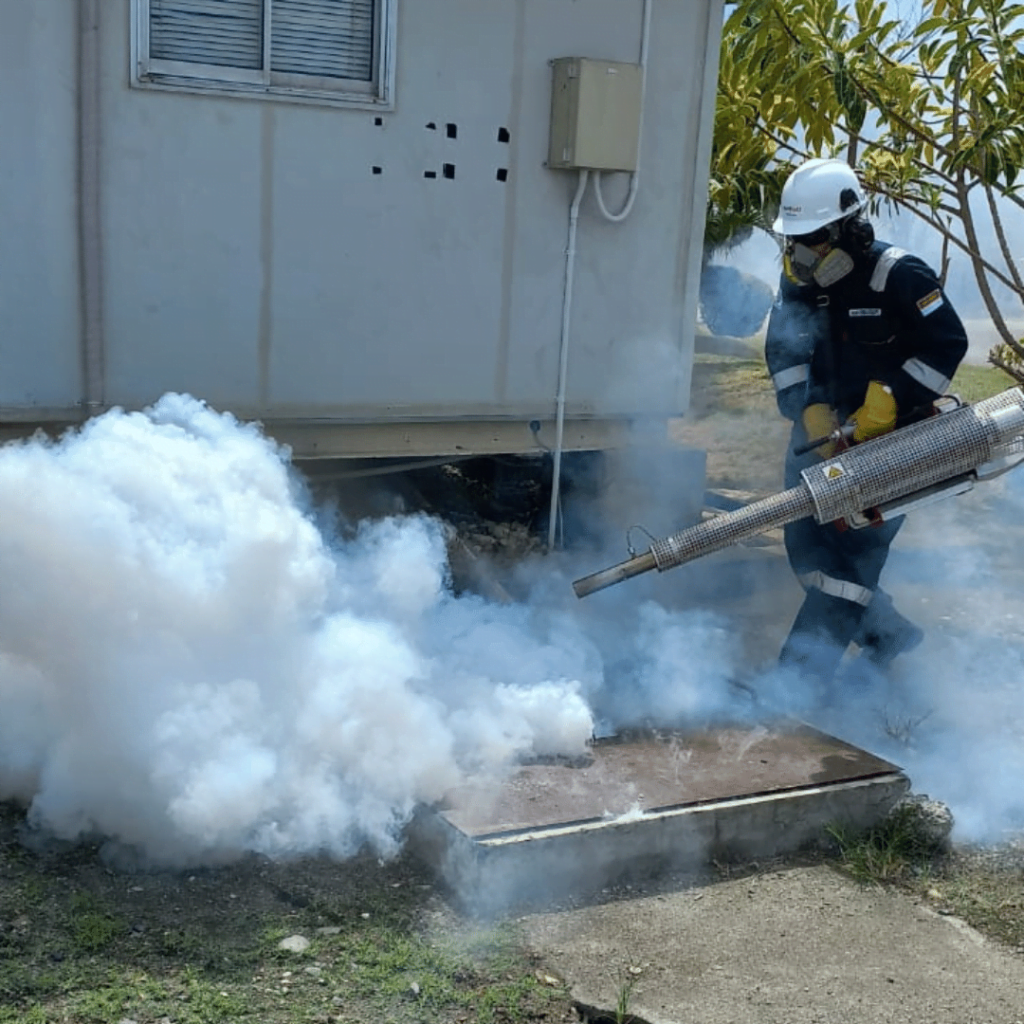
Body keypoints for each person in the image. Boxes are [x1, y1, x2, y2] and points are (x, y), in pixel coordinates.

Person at [765, 157, 969, 692]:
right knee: (806, 557)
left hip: (892, 448)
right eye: (793, 241)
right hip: (817, 442)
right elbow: (784, 352)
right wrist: (802, 409)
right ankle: (889, 635)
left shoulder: (899, 275)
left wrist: (890, 401)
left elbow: (948, 343)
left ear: (848, 229)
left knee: (848, 566)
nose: (800, 254)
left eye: (812, 240)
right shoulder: (801, 281)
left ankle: (794, 691)